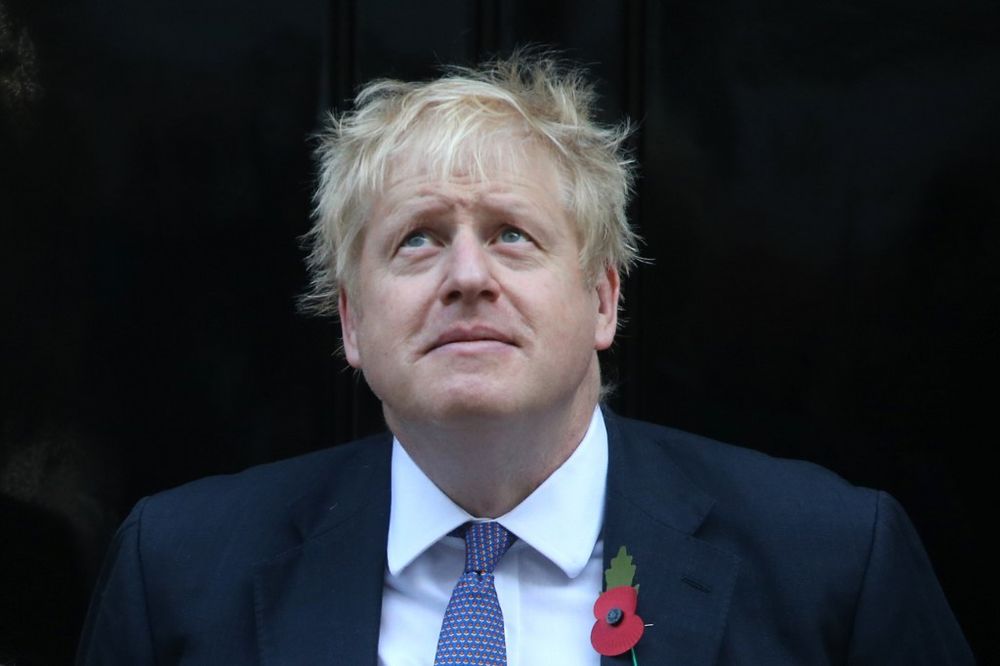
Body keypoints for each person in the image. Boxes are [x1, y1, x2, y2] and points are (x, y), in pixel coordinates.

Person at [76, 54, 973, 665]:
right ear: (351, 322)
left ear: (602, 300)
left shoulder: (831, 563)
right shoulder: (181, 577)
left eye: (512, 235)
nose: (468, 277)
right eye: (418, 242)